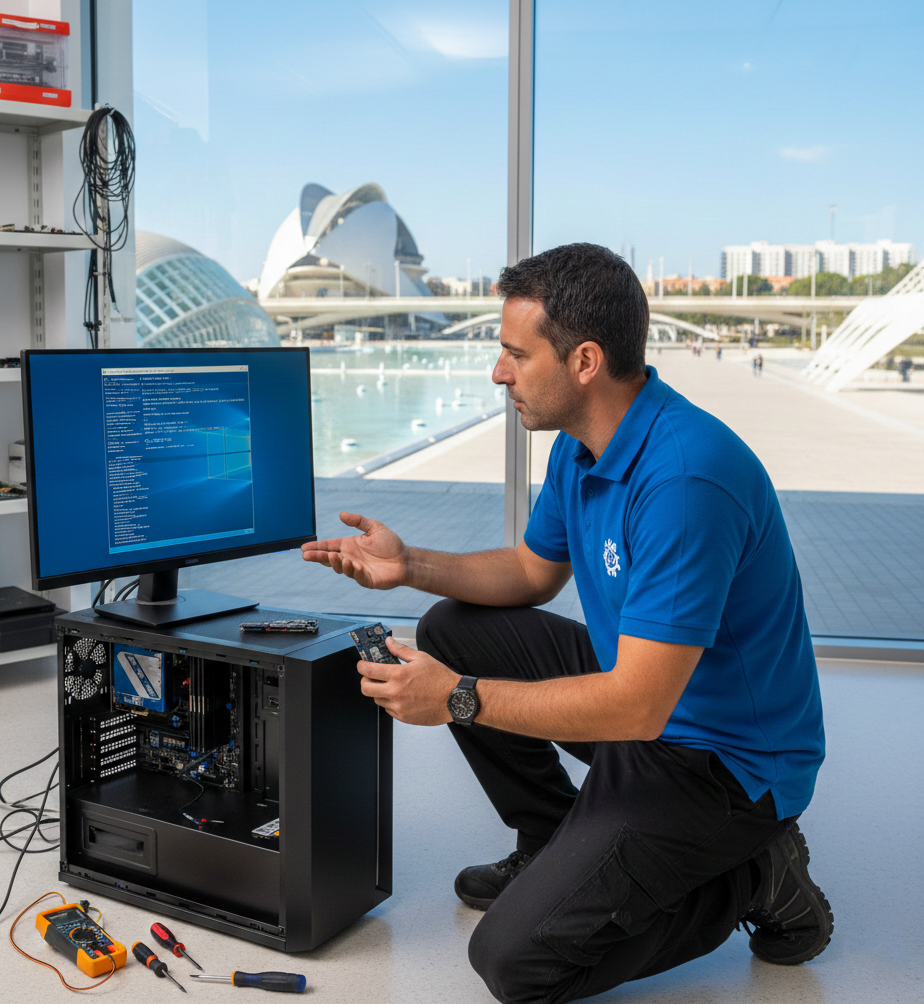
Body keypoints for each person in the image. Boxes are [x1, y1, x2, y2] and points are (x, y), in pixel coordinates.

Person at [301, 243, 830, 1003]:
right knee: (457, 626)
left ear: (585, 361)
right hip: (649, 704)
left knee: (516, 963)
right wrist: (408, 562)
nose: (498, 373)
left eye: (516, 354)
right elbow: (527, 573)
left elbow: (639, 708)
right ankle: (551, 838)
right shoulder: (585, 449)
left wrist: (458, 698)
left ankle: (756, 879)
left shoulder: (685, 478)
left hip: (722, 764)